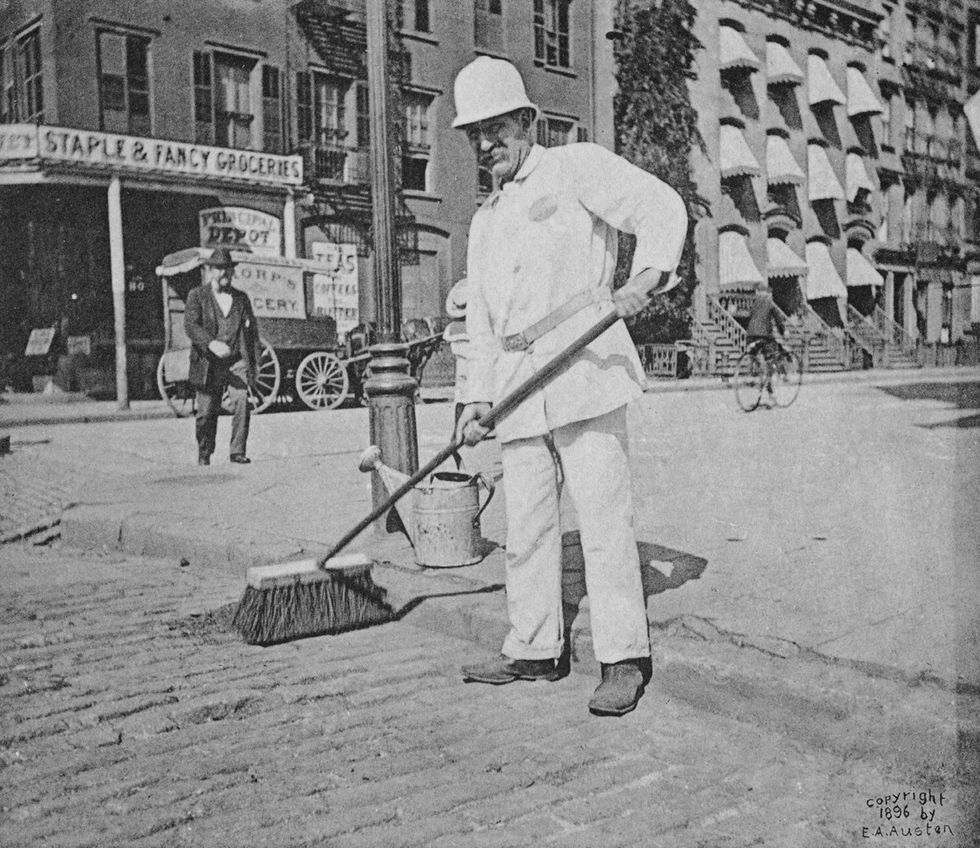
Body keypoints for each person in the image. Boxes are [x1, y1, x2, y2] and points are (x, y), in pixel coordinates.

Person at [450, 56, 688, 717]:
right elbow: (481, 322)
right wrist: (475, 399)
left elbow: (660, 207)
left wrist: (645, 277)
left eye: (496, 129)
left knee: (605, 520)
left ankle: (622, 658)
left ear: (527, 121)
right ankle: (532, 646)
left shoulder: (576, 166)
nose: (486, 145)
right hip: (519, 384)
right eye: (475, 135)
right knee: (526, 524)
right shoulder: (486, 219)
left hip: (586, 368)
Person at [184, 247, 261, 466]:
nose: (223, 274)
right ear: (209, 271)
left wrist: (254, 365)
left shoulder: (240, 299)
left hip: (235, 360)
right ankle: (204, 451)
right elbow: (190, 325)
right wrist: (210, 343)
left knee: (241, 402)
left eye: (227, 269)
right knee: (206, 413)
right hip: (208, 362)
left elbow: (251, 332)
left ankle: (237, 451)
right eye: (218, 269)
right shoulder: (197, 296)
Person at [745, 290, 787, 364]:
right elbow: (778, 319)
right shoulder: (770, 304)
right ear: (768, 296)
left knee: (754, 353)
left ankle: (754, 368)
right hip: (764, 334)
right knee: (771, 350)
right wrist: (783, 331)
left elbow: (749, 317)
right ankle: (770, 366)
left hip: (750, 334)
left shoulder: (755, 304)